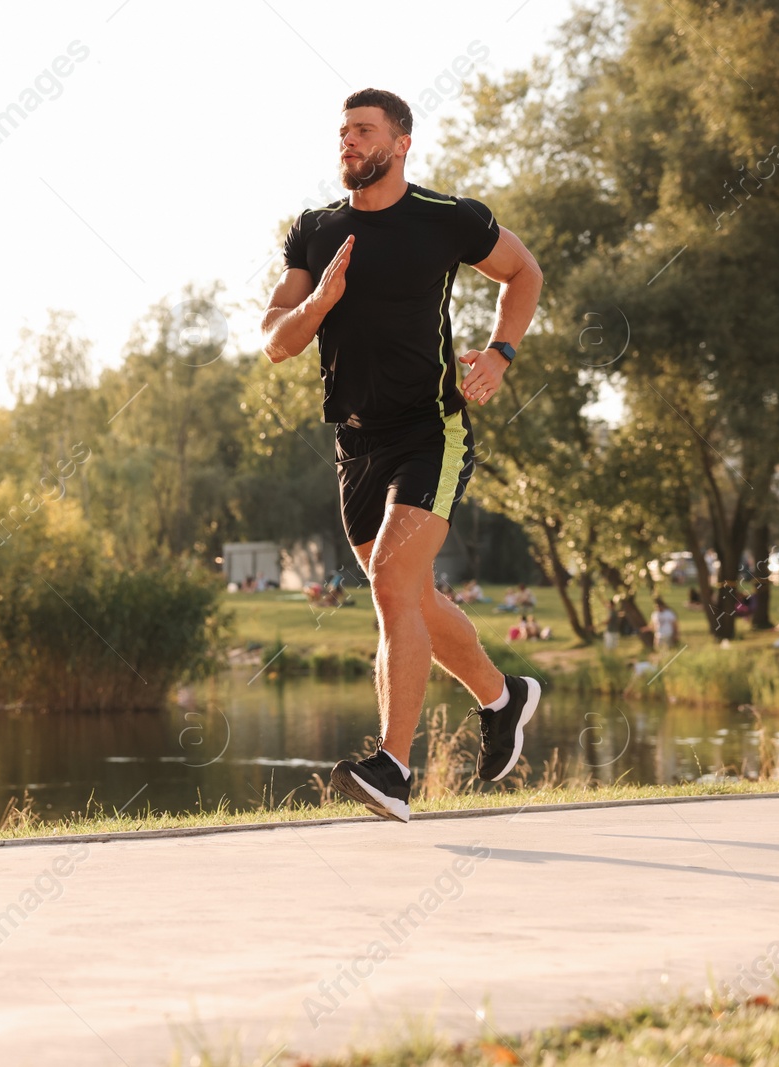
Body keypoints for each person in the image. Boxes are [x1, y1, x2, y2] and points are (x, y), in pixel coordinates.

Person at [260, 87, 544, 824]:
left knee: (391, 578)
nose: (348, 142)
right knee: (411, 595)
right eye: (343, 132)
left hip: (430, 430)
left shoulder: (448, 219)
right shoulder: (316, 231)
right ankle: (501, 695)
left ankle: (392, 765)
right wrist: (320, 301)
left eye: (363, 131)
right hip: (353, 443)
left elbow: (524, 272)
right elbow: (275, 341)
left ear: (401, 142)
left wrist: (502, 353)